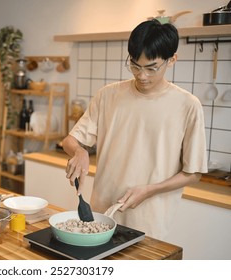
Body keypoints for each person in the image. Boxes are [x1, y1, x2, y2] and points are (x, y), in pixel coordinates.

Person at [62, 20, 207, 240]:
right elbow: (70, 141)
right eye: (135, 65)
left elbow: (193, 173)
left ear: (172, 60)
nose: (142, 76)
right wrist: (80, 152)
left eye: (151, 68)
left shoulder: (187, 105)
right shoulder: (108, 95)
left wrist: (149, 190)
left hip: (149, 221)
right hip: (101, 218)